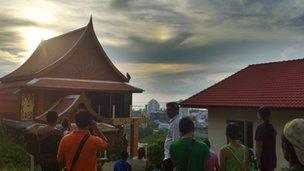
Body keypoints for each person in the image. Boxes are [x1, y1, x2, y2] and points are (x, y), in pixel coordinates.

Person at [255, 107, 277, 171]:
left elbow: (259, 146)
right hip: (272, 157)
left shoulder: (260, 128)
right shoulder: (271, 127)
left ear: (261, 115)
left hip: (264, 158)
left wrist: (258, 160)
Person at [163, 102, 181, 171]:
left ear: (177, 111)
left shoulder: (176, 123)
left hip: (170, 159)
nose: (167, 112)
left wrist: (174, 163)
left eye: (170, 110)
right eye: (167, 110)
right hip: (169, 157)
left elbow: (175, 143)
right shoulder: (174, 121)